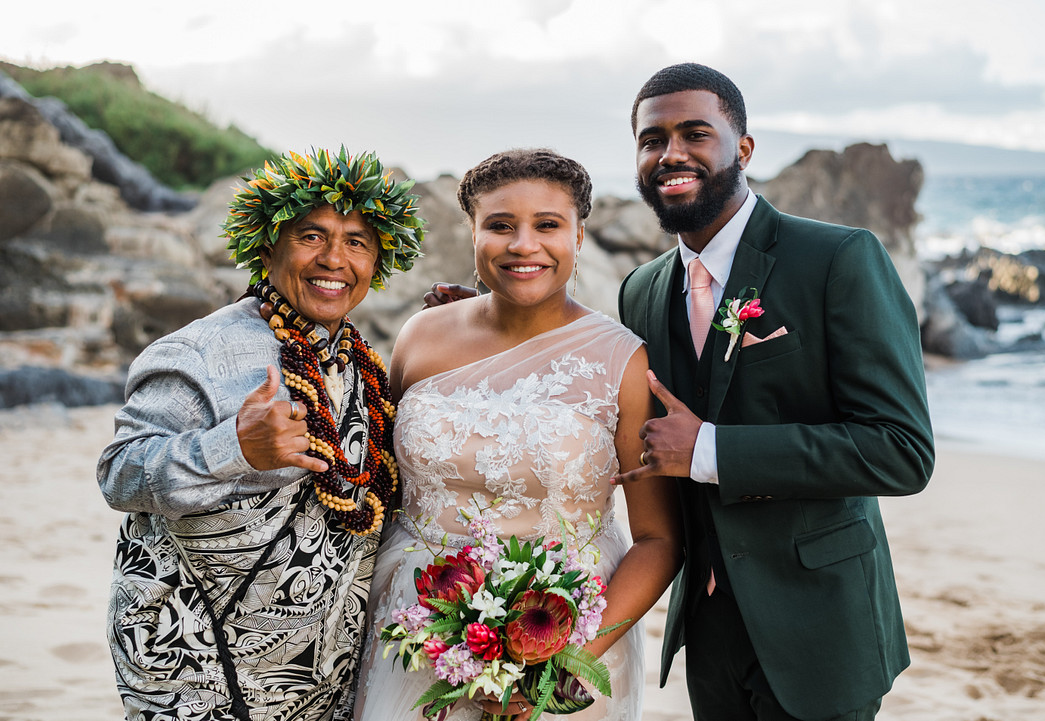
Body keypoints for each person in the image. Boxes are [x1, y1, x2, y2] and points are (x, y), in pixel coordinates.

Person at [428, 64, 935, 721]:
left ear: (743, 148)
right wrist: (480, 316)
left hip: (820, 626)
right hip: (710, 629)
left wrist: (710, 450)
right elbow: (597, 376)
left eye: (696, 133)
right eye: (651, 139)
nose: (671, 152)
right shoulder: (642, 288)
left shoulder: (837, 260)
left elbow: (901, 450)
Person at [353, 148, 682, 721]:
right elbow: (380, 481)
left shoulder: (623, 361)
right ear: (473, 234)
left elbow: (659, 539)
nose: (523, 244)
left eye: (547, 225)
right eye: (499, 225)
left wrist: (566, 662)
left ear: (580, 236)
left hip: (569, 629)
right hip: (409, 625)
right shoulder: (421, 335)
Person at [98, 147, 425, 721]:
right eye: (311, 236)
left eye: (357, 242)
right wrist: (236, 450)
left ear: (379, 261)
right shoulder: (199, 352)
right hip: (196, 670)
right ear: (268, 244)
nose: (334, 259)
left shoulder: (360, 361)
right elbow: (120, 473)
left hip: (322, 675)